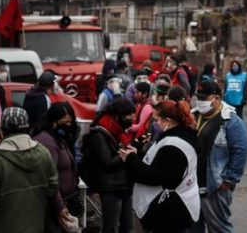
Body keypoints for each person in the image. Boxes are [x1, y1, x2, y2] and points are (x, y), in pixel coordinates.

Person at [0, 107, 65, 232]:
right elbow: (52, 187)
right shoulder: (44, 153)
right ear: (27, 128)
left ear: (2, 130)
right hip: (35, 226)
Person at [118, 100, 200, 233]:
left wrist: (131, 160)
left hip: (171, 209)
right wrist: (138, 154)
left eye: (156, 120)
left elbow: (156, 176)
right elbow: (157, 162)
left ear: (167, 120)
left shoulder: (174, 145)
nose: (154, 124)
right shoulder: (176, 138)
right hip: (172, 206)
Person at [190, 79, 247, 233]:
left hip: (214, 188)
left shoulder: (231, 121)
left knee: (219, 229)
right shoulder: (193, 116)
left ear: (216, 99)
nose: (200, 101)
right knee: (192, 228)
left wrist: (228, 180)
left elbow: (241, 152)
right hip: (191, 186)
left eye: (204, 98)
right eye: (199, 97)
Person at [81, 98, 136, 233]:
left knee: (128, 227)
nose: (131, 119)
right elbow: (106, 161)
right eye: (128, 115)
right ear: (116, 116)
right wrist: (125, 156)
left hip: (125, 185)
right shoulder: (100, 134)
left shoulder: (118, 132)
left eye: (132, 115)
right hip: (111, 188)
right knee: (111, 227)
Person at [32, 102, 81, 231]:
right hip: (53, 205)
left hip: (65, 200)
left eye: (70, 122)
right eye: (64, 122)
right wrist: (59, 205)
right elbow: (49, 177)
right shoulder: (46, 141)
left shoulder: (58, 138)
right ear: (53, 121)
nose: (68, 126)